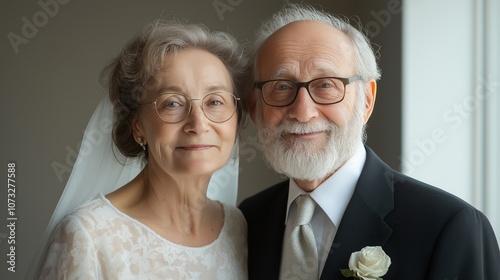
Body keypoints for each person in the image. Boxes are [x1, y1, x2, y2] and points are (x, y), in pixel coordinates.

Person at [238, 3, 500, 280]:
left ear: (366, 100)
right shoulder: (249, 219)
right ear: (255, 109)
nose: (303, 112)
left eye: (326, 85)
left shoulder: (449, 227)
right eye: (281, 87)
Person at [32, 19, 248, 279]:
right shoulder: (88, 237)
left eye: (215, 101)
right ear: (138, 127)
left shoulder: (238, 226)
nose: (199, 124)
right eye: (172, 103)